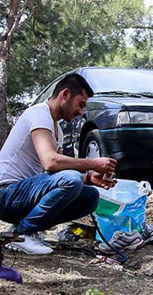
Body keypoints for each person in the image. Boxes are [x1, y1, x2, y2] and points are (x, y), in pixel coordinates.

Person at [0, 73, 117, 255]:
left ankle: (26, 229)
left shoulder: (58, 131)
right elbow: (50, 162)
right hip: (5, 194)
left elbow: (59, 171)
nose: (81, 112)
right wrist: (93, 163)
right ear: (65, 95)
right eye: (81, 104)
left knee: (90, 197)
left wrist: (90, 178)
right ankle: (23, 234)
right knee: (72, 180)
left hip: (22, 196)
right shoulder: (39, 113)